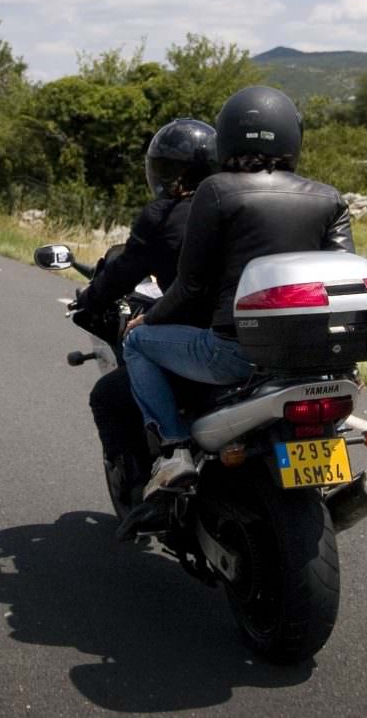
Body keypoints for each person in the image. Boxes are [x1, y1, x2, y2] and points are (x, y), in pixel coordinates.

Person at [122, 86, 354, 500]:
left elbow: (190, 287)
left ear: (226, 136)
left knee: (138, 343)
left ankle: (174, 452)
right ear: (292, 136)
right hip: (315, 358)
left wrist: (150, 318)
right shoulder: (328, 198)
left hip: (236, 353)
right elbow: (339, 276)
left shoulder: (216, 190)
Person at [72, 119, 217, 501]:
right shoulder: (239, 206)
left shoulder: (164, 215)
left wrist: (89, 299)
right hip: (258, 342)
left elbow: (123, 272)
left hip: (204, 346)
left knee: (108, 393)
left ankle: (151, 479)